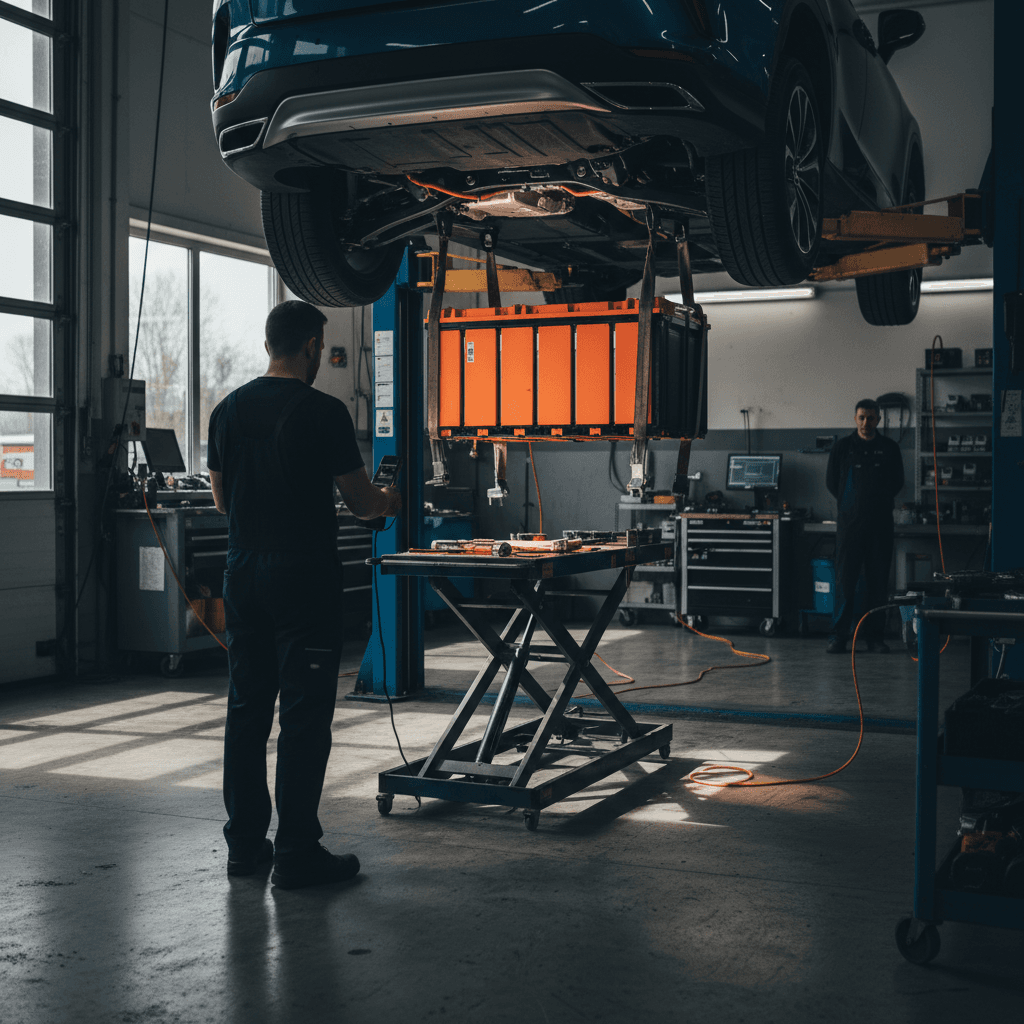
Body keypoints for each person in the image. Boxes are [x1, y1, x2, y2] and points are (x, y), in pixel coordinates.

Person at [208, 299, 401, 889]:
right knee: (304, 714)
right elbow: (362, 503)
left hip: (243, 573)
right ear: (313, 346)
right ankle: (295, 852)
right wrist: (390, 500)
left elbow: (221, 500)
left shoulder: (225, 411)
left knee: (246, 710)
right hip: (302, 579)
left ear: (269, 344)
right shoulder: (323, 412)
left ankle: (246, 847)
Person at [824, 398, 904, 654]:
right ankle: (838, 637)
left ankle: (875, 638)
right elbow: (831, 482)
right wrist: (852, 505)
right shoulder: (842, 447)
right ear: (855, 419)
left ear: (878, 419)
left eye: (871, 418)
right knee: (845, 582)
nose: (866, 422)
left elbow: (897, 481)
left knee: (877, 584)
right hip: (850, 526)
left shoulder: (889, 448)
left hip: (880, 526)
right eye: (861, 417)